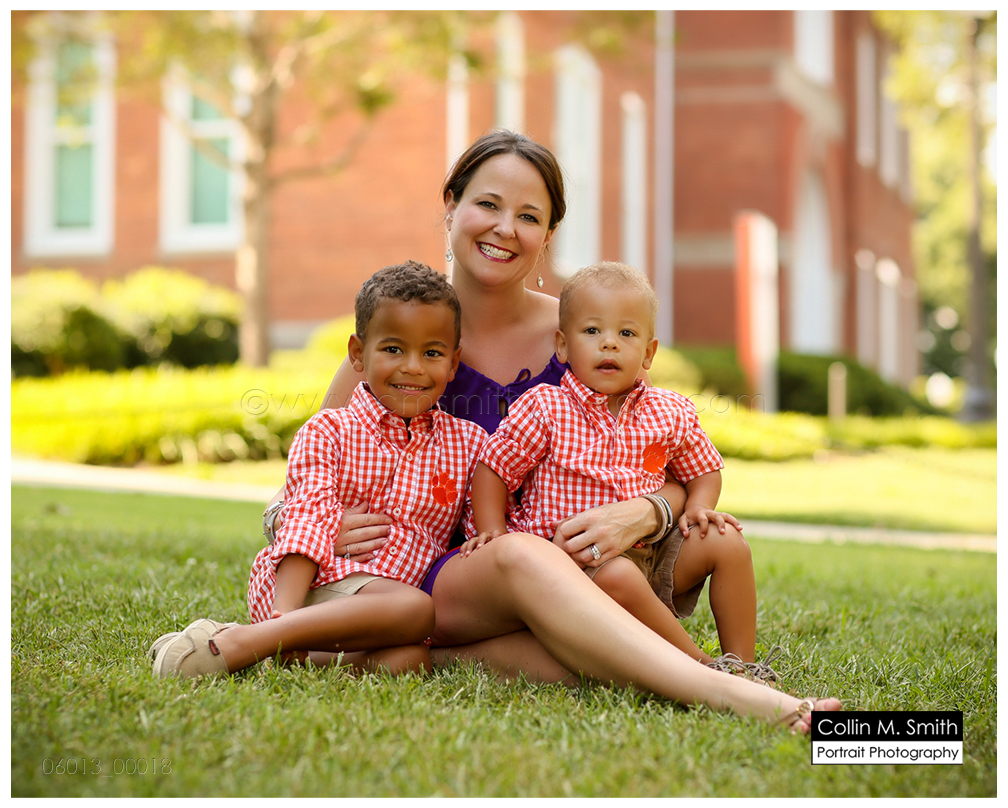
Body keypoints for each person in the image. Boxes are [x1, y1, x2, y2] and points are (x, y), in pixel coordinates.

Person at [272, 130, 840, 731]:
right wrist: (314, 525)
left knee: (587, 657)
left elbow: (662, 457)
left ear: (548, 235)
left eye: (528, 216)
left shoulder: (589, 328)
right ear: (452, 206)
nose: (505, 229)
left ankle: (445, 659)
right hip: (448, 580)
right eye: (488, 204)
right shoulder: (400, 341)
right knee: (525, 557)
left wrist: (647, 512)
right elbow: (298, 491)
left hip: (585, 567)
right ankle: (736, 694)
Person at [150, 261, 486, 679]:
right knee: (415, 608)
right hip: (312, 588)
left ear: (453, 363)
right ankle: (252, 641)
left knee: (410, 661)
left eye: (432, 353)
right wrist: (284, 613)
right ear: (358, 354)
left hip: (379, 615)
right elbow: (305, 519)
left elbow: (480, 529)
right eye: (393, 349)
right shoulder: (329, 430)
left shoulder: (468, 444)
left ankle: (255, 647)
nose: (413, 367)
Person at [464, 261, 769, 676]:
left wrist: (700, 507)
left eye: (626, 334)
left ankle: (745, 664)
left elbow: (703, 469)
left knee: (728, 541)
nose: (609, 344)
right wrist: (491, 528)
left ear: (649, 352)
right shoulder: (544, 408)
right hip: (578, 563)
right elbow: (493, 468)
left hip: (654, 549)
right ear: (562, 346)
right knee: (619, 575)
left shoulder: (669, 410)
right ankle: (701, 668)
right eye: (592, 331)